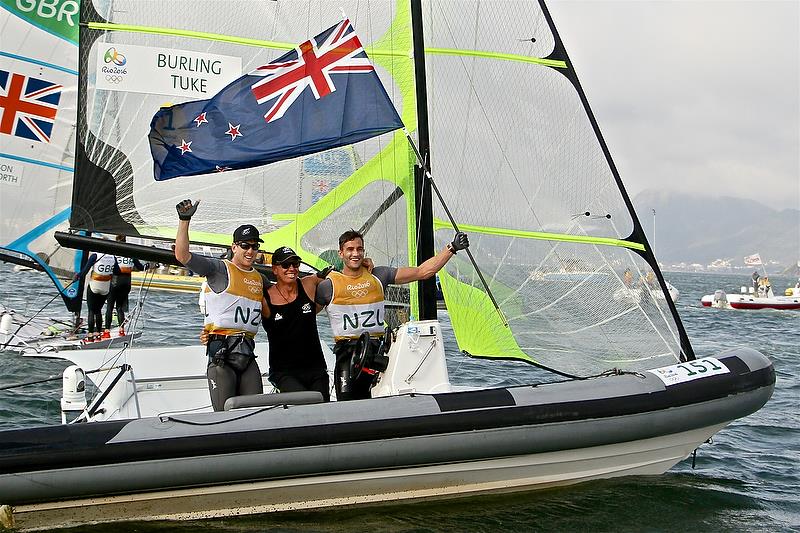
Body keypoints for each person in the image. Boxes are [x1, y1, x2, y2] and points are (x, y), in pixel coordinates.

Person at [315, 228, 469, 401]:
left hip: (375, 350)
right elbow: (305, 315)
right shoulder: (327, 286)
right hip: (346, 354)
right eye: (350, 249)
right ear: (341, 253)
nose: (355, 254)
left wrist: (452, 248)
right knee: (346, 403)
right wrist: (315, 278)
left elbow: (422, 272)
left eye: (359, 249)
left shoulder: (379, 275)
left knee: (377, 399)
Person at [174, 199, 268, 411]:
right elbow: (182, 256)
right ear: (234, 247)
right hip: (221, 356)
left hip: (247, 354)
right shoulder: (219, 269)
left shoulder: (260, 278)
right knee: (224, 416)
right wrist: (184, 220)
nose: (250, 251)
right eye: (245, 246)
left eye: (254, 246)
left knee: (256, 414)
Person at [262, 246, 331, 401]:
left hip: (316, 368)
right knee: (305, 405)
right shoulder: (265, 299)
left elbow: (337, 278)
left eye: (295, 264)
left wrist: (364, 267)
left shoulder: (308, 284)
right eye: (286, 265)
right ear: (275, 270)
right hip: (284, 372)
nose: (291, 268)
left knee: (324, 411)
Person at [103, 235, 146, 338]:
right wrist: (149, 265)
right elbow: (141, 267)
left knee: (109, 307)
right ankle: (121, 331)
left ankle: (107, 332)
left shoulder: (112, 252)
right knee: (119, 308)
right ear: (125, 241)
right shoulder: (130, 253)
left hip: (114, 282)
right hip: (126, 283)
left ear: (116, 241)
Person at [77, 251, 116, 342]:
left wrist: (78, 276)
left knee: (91, 310)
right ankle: (98, 335)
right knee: (98, 310)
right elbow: (117, 270)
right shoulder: (113, 257)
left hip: (95, 285)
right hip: (105, 287)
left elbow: (85, 271)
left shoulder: (95, 256)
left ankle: (90, 336)